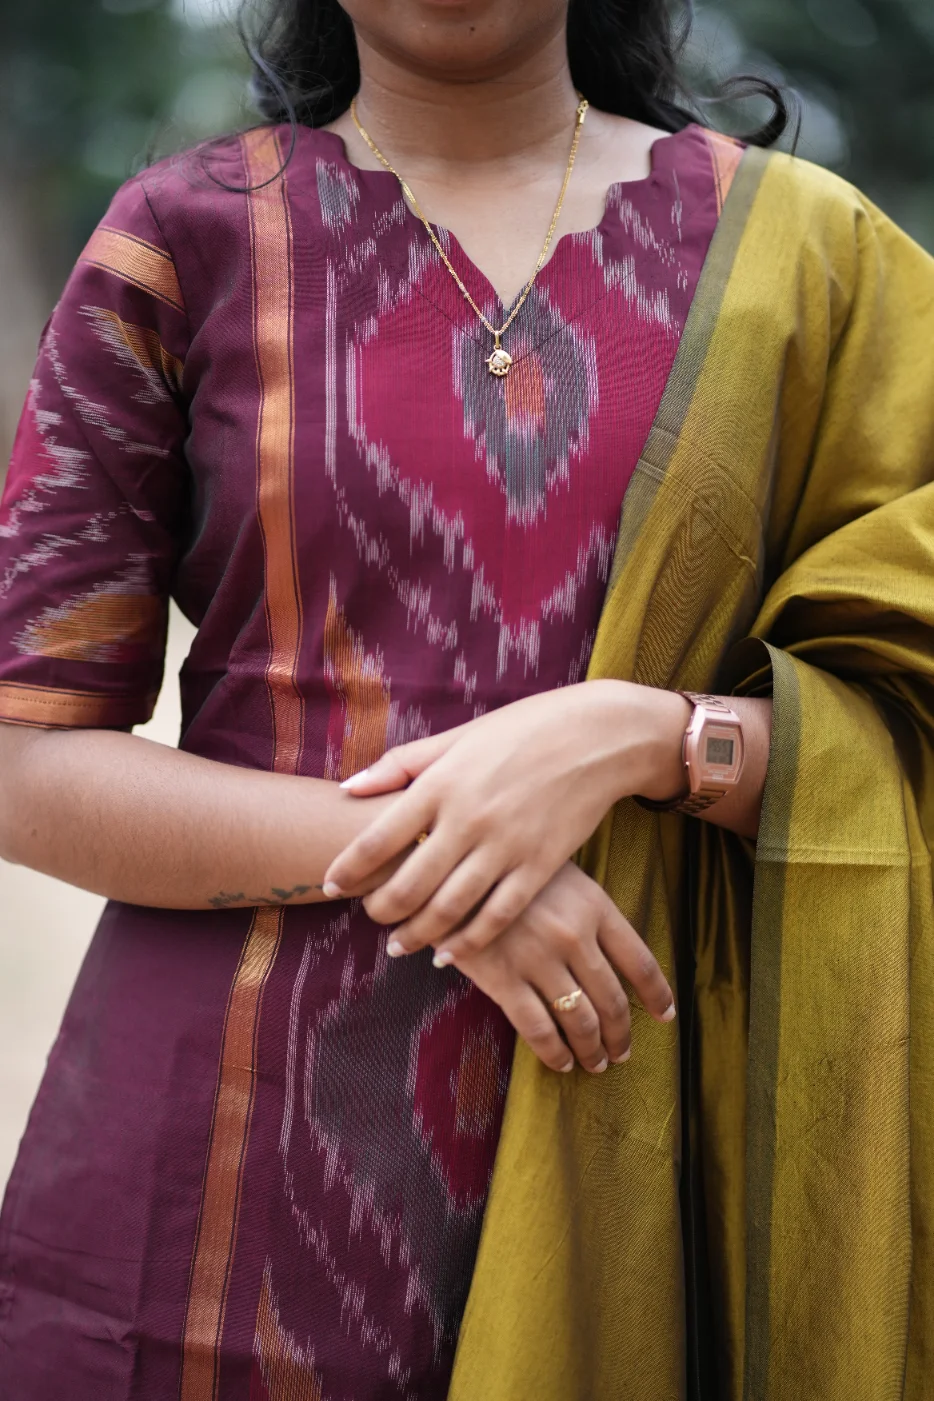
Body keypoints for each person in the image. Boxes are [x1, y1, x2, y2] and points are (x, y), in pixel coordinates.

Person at [0, 0, 932, 1397]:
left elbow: (909, 692)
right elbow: (25, 755)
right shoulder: (182, 243)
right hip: (226, 1195)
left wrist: (648, 735)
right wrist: (447, 863)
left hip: (658, 1145)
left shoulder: (810, 261)